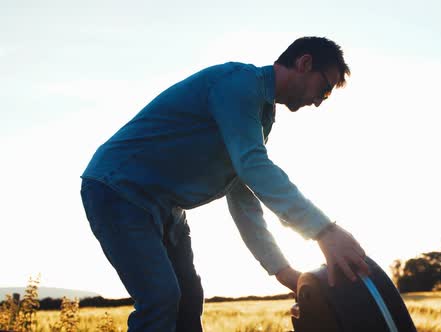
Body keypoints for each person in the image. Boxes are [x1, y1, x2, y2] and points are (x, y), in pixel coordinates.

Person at [80, 36, 369, 331]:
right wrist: (324, 230)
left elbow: (244, 201)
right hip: (118, 189)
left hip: (165, 206)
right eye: (325, 88)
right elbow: (254, 167)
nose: (321, 101)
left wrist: (286, 275)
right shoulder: (238, 84)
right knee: (161, 300)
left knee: (189, 300)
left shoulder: (261, 115)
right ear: (305, 63)